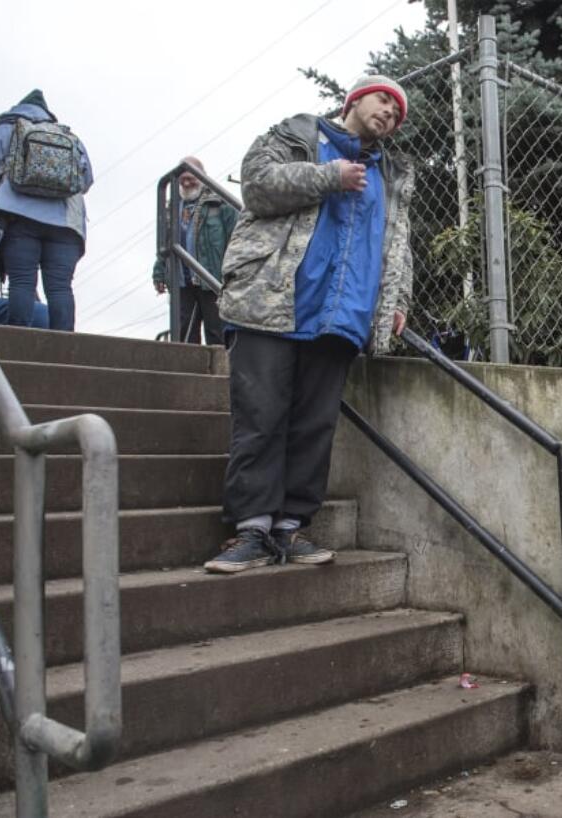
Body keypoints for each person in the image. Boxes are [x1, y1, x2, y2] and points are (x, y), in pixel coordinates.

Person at [203, 75, 415, 574]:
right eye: (384, 100)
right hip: (272, 301)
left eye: (398, 113)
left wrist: (396, 299)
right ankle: (251, 530)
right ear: (356, 100)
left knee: (315, 427)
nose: (390, 113)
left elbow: (398, 244)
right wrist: (329, 177)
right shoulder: (297, 135)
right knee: (261, 416)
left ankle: (290, 527)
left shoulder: (393, 173)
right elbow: (256, 187)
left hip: (343, 315)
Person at [0, 90, 93, 331]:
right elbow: (85, 181)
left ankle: (21, 344)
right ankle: (66, 350)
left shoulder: (3, 133)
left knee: (22, 282)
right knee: (60, 287)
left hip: (20, 219)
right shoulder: (70, 137)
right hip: (66, 223)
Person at [152, 157, 238, 345]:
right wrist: (159, 272)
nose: (186, 182)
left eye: (191, 177)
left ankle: (220, 372)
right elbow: (165, 244)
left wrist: (235, 274)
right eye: (182, 179)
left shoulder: (220, 203)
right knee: (184, 332)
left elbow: (237, 240)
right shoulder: (172, 206)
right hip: (181, 279)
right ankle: (187, 371)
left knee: (216, 330)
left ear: (202, 176)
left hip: (212, 276)